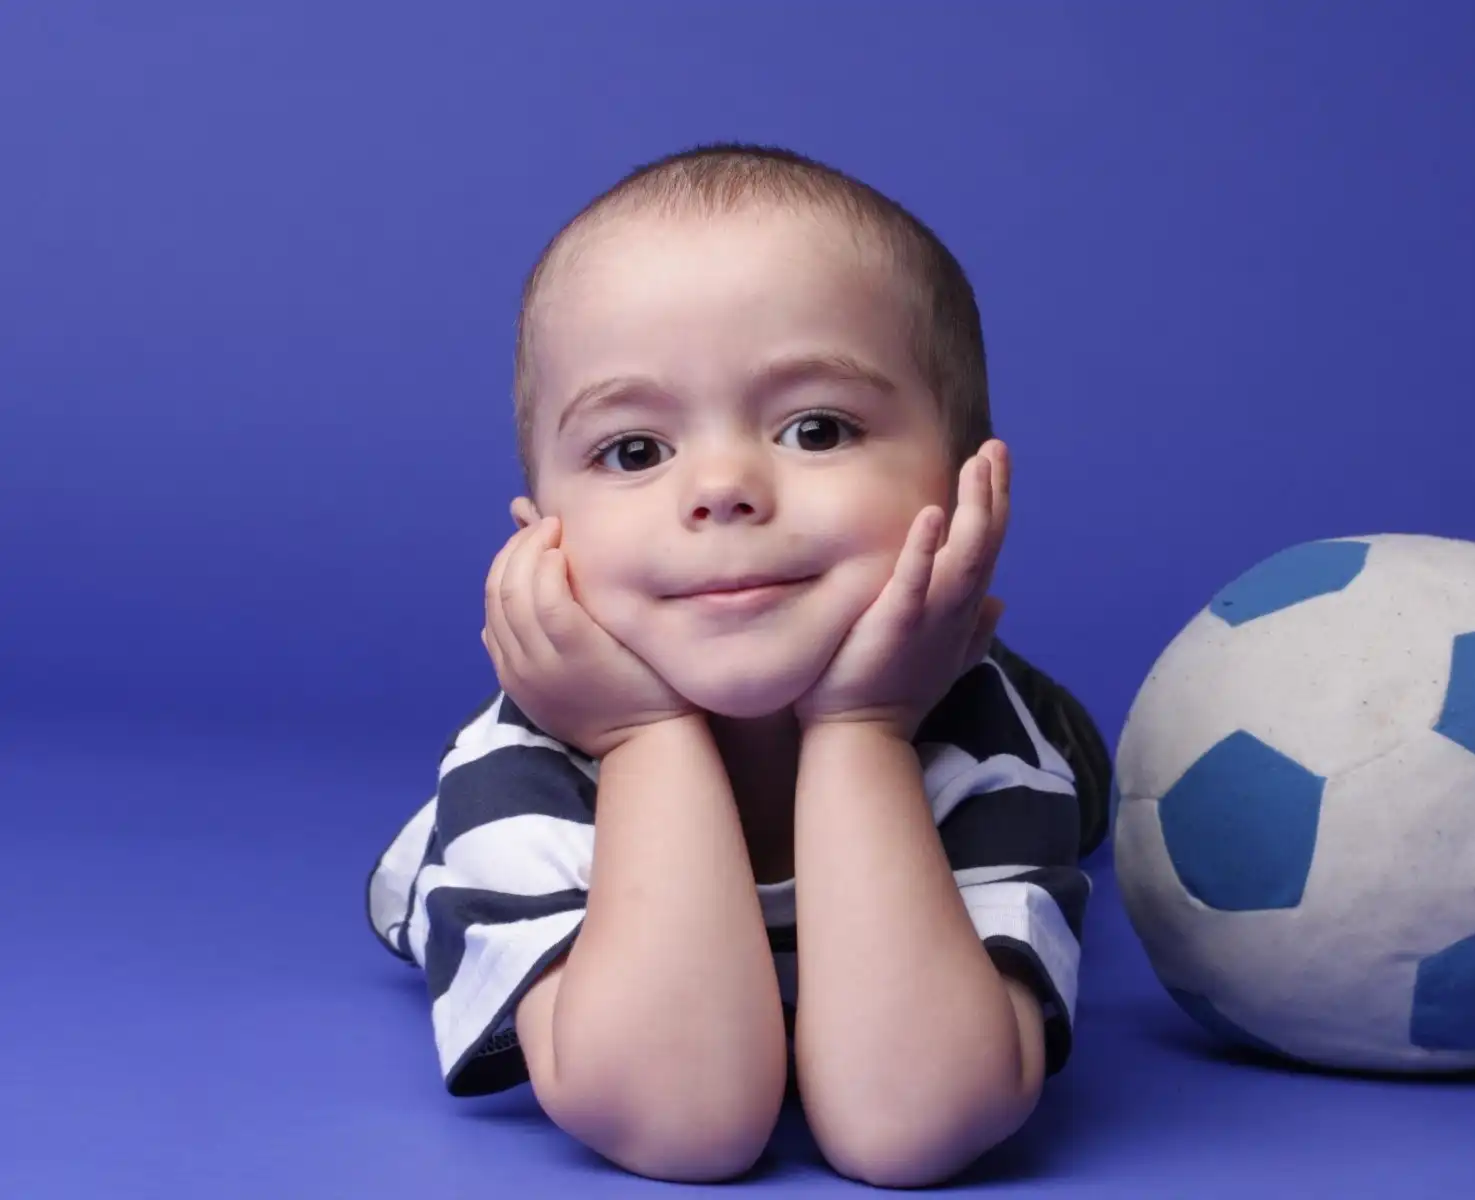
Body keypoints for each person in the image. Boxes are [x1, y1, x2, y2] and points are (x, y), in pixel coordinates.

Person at [364, 142, 1111, 1187]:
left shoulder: (983, 744)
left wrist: (865, 731)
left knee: (1076, 776)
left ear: (969, 489)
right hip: (558, 786)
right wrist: (639, 739)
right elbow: (682, 1121)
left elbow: (915, 1122)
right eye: (634, 450)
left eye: (816, 428)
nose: (721, 487)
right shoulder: (518, 772)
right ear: (543, 535)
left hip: (934, 686)